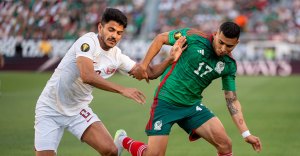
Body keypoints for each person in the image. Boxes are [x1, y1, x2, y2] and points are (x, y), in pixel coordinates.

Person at [34, 8, 187, 156]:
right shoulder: (87, 42)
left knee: (111, 151)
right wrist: (123, 90)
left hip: (78, 110)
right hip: (50, 108)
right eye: (111, 30)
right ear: (100, 27)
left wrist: (169, 59)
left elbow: (148, 73)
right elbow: (87, 75)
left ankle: (120, 142)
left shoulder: (117, 56)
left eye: (119, 33)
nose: (114, 36)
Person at [114, 22, 262, 156]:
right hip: (167, 100)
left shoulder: (229, 65)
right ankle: (123, 140)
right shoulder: (194, 37)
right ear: (216, 34)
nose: (223, 48)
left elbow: (232, 100)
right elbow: (160, 38)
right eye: (221, 42)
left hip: (192, 106)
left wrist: (246, 133)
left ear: (237, 43)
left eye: (229, 46)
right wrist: (143, 66)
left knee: (225, 145)